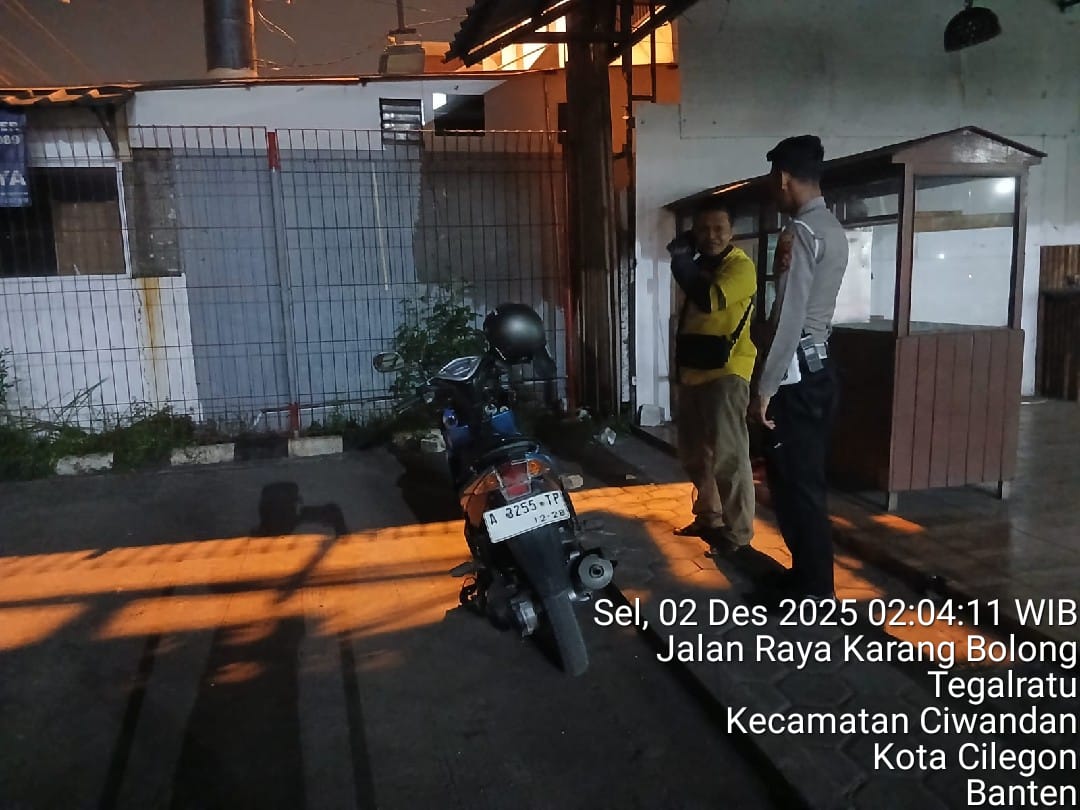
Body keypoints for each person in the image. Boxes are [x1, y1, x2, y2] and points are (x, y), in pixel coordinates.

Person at [752, 134, 849, 600]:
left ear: (784, 178)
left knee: (795, 484)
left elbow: (788, 316)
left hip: (795, 375)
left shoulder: (801, 233)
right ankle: (808, 580)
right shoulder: (832, 227)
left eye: (774, 178)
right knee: (803, 480)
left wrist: (764, 389)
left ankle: (812, 590)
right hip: (819, 368)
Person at [666, 201, 757, 552]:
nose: (711, 236)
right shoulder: (701, 265)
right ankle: (708, 516)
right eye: (703, 229)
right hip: (693, 371)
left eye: (719, 228)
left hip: (727, 372)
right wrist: (687, 261)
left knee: (729, 457)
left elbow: (709, 299)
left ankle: (739, 534)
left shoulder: (740, 267)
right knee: (694, 455)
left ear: (732, 231)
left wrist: (681, 261)